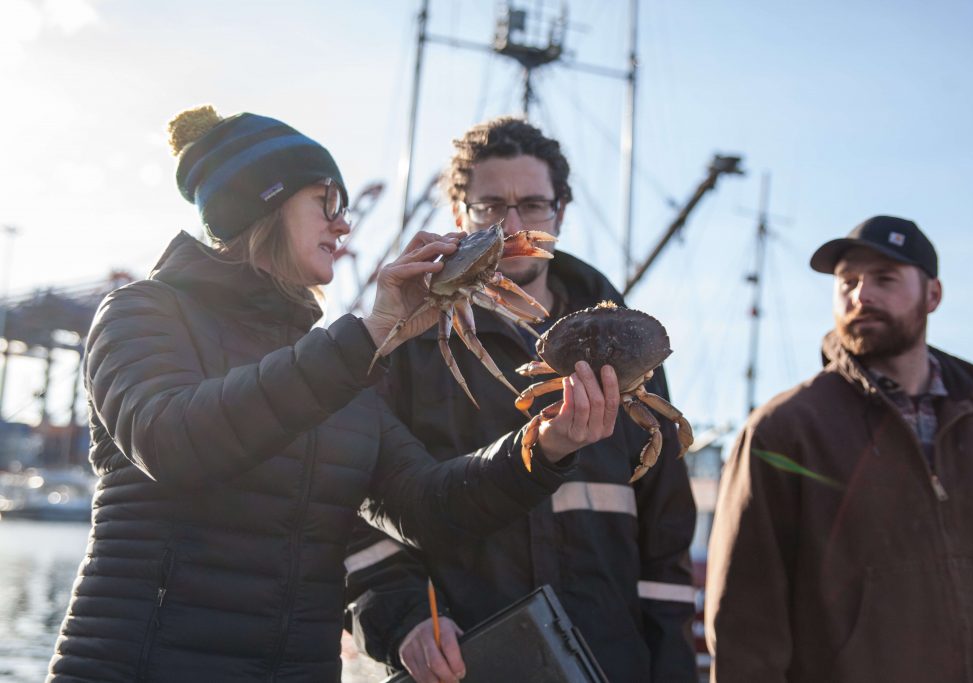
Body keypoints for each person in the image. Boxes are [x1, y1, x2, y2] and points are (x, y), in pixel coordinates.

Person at [47, 106, 622, 682]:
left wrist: (542, 447)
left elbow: (426, 507)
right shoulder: (143, 312)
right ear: (262, 202)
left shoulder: (334, 361)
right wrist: (369, 334)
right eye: (326, 203)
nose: (343, 226)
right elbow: (172, 443)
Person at [345, 117, 699, 683]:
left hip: (610, 662)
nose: (512, 225)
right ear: (461, 213)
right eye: (490, 207)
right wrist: (404, 619)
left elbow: (666, 538)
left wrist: (674, 671)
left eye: (533, 205)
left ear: (560, 210)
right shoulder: (408, 351)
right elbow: (358, 503)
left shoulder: (630, 351)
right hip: (464, 661)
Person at [705, 216, 973, 682]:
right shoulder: (785, 430)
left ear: (932, 295)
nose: (861, 295)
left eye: (884, 279)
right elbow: (745, 620)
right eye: (847, 282)